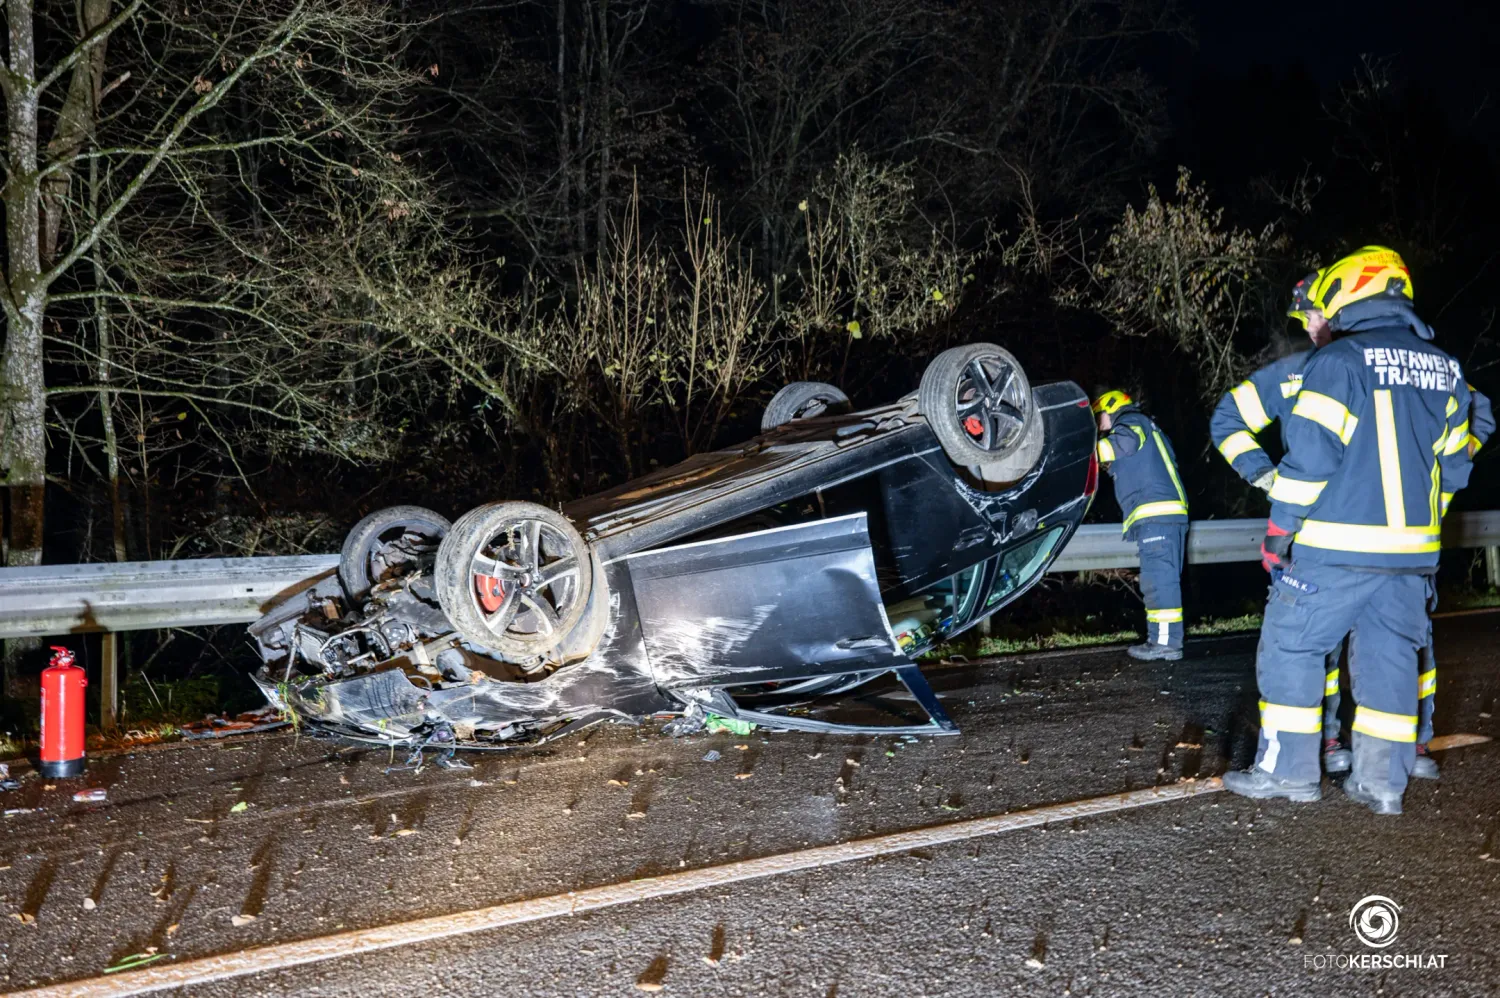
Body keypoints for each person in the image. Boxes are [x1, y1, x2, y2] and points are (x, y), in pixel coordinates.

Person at [1222, 246, 1473, 815]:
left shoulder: (1336, 362)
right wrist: (1419, 527)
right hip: (1410, 557)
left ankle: (1287, 773)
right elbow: (1455, 466)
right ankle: (1382, 785)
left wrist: (1280, 531)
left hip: (1334, 549)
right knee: (1390, 659)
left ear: (1351, 290)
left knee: (1292, 646)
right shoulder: (1446, 368)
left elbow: (1311, 460)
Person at [1211, 273, 1357, 774]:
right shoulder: (1293, 374)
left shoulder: (1377, 365)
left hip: (1358, 537)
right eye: (1308, 318)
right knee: (1320, 647)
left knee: (1363, 647)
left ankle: (1369, 754)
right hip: (1317, 535)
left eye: (1319, 314)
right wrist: (1267, 477)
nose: (1314, 326)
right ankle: (1329, 743)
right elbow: (1226, 420)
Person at [1093, 391, 1190, 660]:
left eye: (1099, 415)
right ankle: (1166, 640)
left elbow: (1123, 443)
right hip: (1164, 514)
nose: (1098, 422)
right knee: (1162, 578)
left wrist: (1085, 452)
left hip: (1156, 513)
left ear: (1111, 407)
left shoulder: (1132, 421)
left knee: (1158, 579)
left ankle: (1164, 643)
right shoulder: (1147, 426)